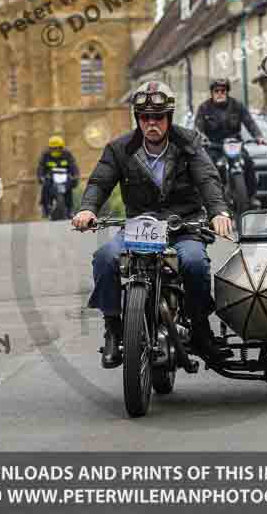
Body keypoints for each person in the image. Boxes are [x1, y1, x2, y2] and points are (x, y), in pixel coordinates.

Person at [72, 80, 233, 368]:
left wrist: (219, 212)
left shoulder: (189, 143)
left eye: (158, 117)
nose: (152, 123)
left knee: (195, 262)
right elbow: (99, 181)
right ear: (138, 119)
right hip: (140, 227)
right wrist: (87, 209)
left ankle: (200, 328)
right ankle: (113, 328)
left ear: (168, 118)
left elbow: (207, 178)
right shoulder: (119, 149)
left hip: (183, 226)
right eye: (145, 117)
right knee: (105, 258)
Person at [195, 78, 266, 206]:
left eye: (223, 91)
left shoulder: (237, 105)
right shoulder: (204, 108)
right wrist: (202, 137)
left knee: (248, 162)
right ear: (212, 93)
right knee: (208, 168)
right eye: (216, 91)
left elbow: (249, 122)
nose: (220, 93)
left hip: (235, 144)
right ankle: (210, 200)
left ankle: (251, 196)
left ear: (227, 92)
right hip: (214, 145)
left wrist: (258, 136)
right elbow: (198, 127)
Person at [37, 136, 80, 218]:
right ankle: (45, 207)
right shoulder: (45, 155)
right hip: (51, 177)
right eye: (53, 148)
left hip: (64, 176)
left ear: (62, 147)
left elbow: (73, 165)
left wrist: (75, 176)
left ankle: (70, 209)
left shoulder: (67, 154)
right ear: (50, 148)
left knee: (69, 189)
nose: (56, 150)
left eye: (58, 148)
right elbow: (41, 167)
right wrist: (41, 176)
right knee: (45, 187)